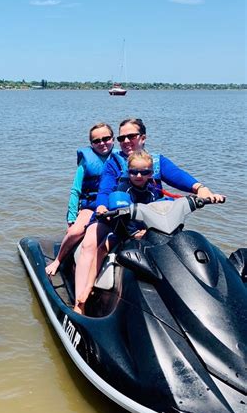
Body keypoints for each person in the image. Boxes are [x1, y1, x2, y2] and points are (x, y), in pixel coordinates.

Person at [73, 117, 225, 314]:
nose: (127, 141)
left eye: (132, 136)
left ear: (142, 137)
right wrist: (102, 207)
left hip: (154, 222)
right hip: (116, 218)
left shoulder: (156, 162)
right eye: (122, 138)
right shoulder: (114, 162)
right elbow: (105, 188)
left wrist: (201, 189)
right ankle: (80, 301)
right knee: (91, 244)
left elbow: (179, 176)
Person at [45, 122, 115, 276]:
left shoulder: (121, 157)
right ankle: (58, 260)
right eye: (97, 141)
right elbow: (76, 190)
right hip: (90, 205)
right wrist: (71, 218)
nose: (102, 143)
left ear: (113, 138)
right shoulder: (86, 161)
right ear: (91, 144)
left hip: (113, 205)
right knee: (75, 232)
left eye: (106, 138)